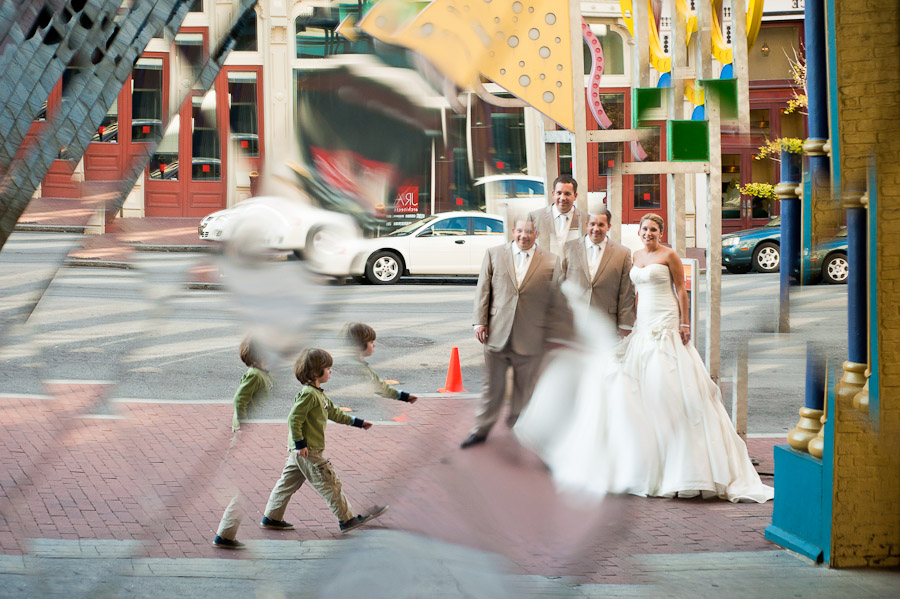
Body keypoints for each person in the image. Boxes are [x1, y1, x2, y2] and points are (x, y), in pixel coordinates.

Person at [516, 213, 773, 503]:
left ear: (660, 232)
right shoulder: (635, 256)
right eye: (644, 229)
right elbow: (635, 292)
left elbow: (680, 289)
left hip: (666, 322)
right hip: (644, 323)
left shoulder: (670, 256)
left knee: (669, 385)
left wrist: (684, 323)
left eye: (653, 229)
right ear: (638, 232)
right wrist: (634, 321)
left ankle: (682, 463)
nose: (648, 233)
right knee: (630, 387)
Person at [462, 219, 568, 449]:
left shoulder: (551, 261)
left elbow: (557, 300)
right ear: (513, 231)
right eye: (520, 231)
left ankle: (517, 430)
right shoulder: (493, 254)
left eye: (529, 232)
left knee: (525, 388)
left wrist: (554, 334)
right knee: (493, 387)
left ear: (536, 234)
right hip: (496, 331)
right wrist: (479, 322)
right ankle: (481, 430)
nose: (524, 236)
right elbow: (483, 289)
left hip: (532, 335)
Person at [261, 348, 388, 533]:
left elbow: (334, 413)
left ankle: (271, 517)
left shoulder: (319, 394)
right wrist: (300, 444)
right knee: (330, 483)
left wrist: (358, 423)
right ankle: (347, 520)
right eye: (328, 368)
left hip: (300, 452)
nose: (331, 371)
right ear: (315, 373)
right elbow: (294, 419)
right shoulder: (309, 395)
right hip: (308, 450)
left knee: (286, 484)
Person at [213, 337, 274, 549]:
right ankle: (225, 535)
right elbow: (240, 399)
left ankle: (226, 534)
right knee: (244, 488)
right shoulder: (255, 375)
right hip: (244, 433)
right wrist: (243, 423)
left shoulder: (262, 374)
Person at [560, 209, 635, 337]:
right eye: (592, 224)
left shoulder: (623, 253)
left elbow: (627, 292)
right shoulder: (569, 248)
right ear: (586, 225)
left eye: (601, 225)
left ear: (609, 227)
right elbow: (560, 284)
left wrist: (625, 325)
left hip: (606, 323)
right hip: (573, 321)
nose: (596, 228)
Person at [336, 322, 419, 404]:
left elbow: (379, 385)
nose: (374, 345)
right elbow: (379, 387)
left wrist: (404, 396)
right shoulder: (357, 368)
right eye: (371, 342)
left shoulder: (359, 365)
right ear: (360, 345)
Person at [527, 174, 588, 257]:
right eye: (559, 193)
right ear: (553, 194)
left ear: (575, 196)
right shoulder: (535, 217)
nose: (562, 198)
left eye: (567, 194)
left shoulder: (586, 220)